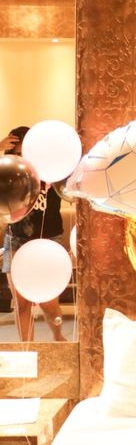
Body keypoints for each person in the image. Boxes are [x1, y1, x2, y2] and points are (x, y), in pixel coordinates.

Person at [1, 127, 67, 342]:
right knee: (21, 304)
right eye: (16, 155)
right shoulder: (8, 175)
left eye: (24, 153)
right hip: (16, 240)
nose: (21, 159)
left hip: (47, 241)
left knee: (48, 303)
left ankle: (58, 339)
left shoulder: (51, 171)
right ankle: (26, 351)